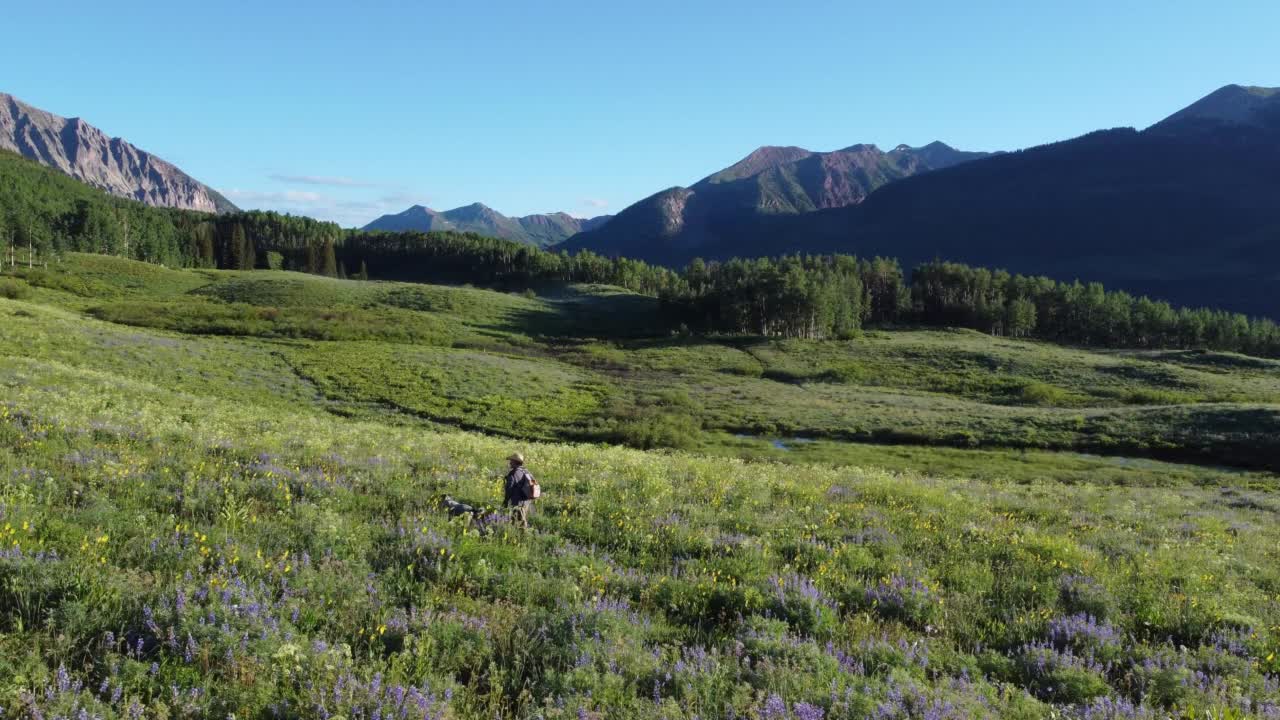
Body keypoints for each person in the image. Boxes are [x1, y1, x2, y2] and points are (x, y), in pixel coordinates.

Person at [502, 452, 537, 529]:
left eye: (511, 461)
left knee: (518, 523)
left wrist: (505, 500)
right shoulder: (525, 471)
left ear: (515, 462)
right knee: (522, 519)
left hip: (518, 503)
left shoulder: (513, 473)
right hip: (527, 501)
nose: (510, 462)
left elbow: (509, 489)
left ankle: (521, 538)